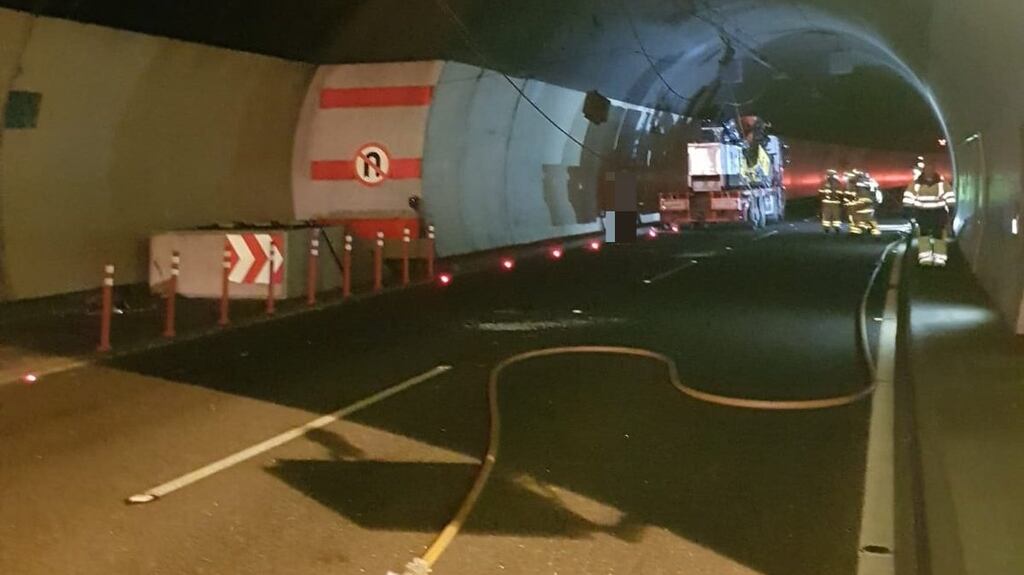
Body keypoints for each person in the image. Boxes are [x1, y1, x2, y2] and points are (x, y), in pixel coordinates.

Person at [904, 162, 956, 266]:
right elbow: (908, 198)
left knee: (939, 236)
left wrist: (951, 210)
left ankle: (939, 259)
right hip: (923, 214)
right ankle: (925, 259)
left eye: (931, 170)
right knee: (924, 236)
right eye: (927, 170)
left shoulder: (942, 184)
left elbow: (950, 197)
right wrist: (908, 211)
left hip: (938, 214)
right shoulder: (915, 185)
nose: (929, 172)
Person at [849, 171, 882, 236]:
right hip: (870, 202)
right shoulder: (872, 183)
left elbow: (852, 184)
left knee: (860, 215)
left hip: (863, 201)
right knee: (867, 216)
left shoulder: (859, 183)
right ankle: (872, 229)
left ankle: (858, 230)